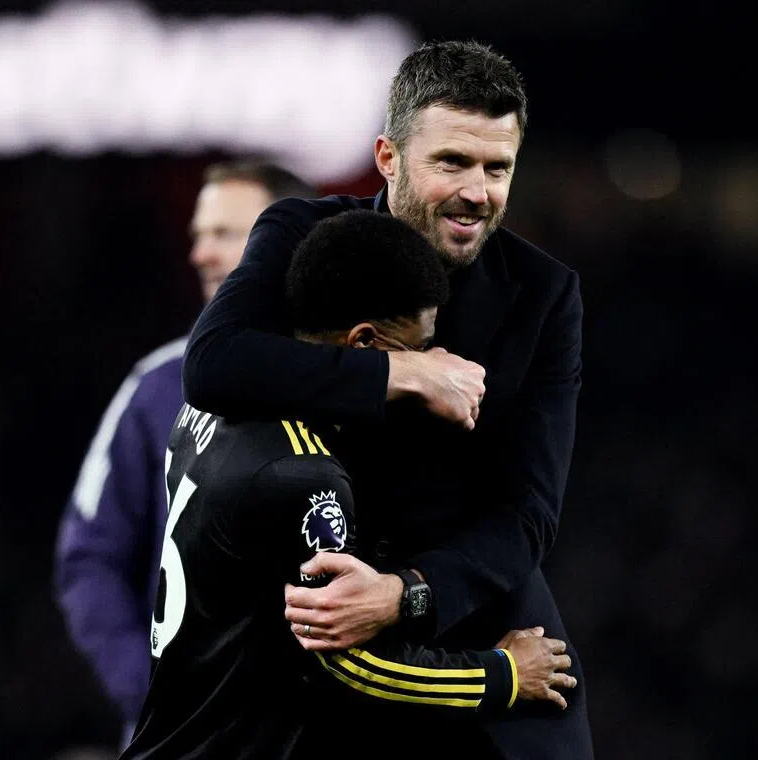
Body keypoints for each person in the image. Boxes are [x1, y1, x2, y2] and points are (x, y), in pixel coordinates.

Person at [182, 41, 592, 759]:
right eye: (452, 163)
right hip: (319, 643)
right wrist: (403, 375)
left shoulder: (543, 295)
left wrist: (406, 595)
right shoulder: (297, 235)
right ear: (388, 157)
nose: (478, 192)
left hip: (478, 642)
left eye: (498, 168)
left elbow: (529, 516)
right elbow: (215, 363)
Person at [119, 210, 575, 759]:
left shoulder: (207, 412)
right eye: (421, 346)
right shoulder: (309, 478)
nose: (436, 361)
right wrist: (500, 675)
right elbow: (347, 662)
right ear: (363, 343)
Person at [52, 160, 317, 742]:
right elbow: (89, 558)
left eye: (224, 233)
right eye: (198, 235)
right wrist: (149, 694)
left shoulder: (366, 381)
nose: (200, 254)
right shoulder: (155, 388)